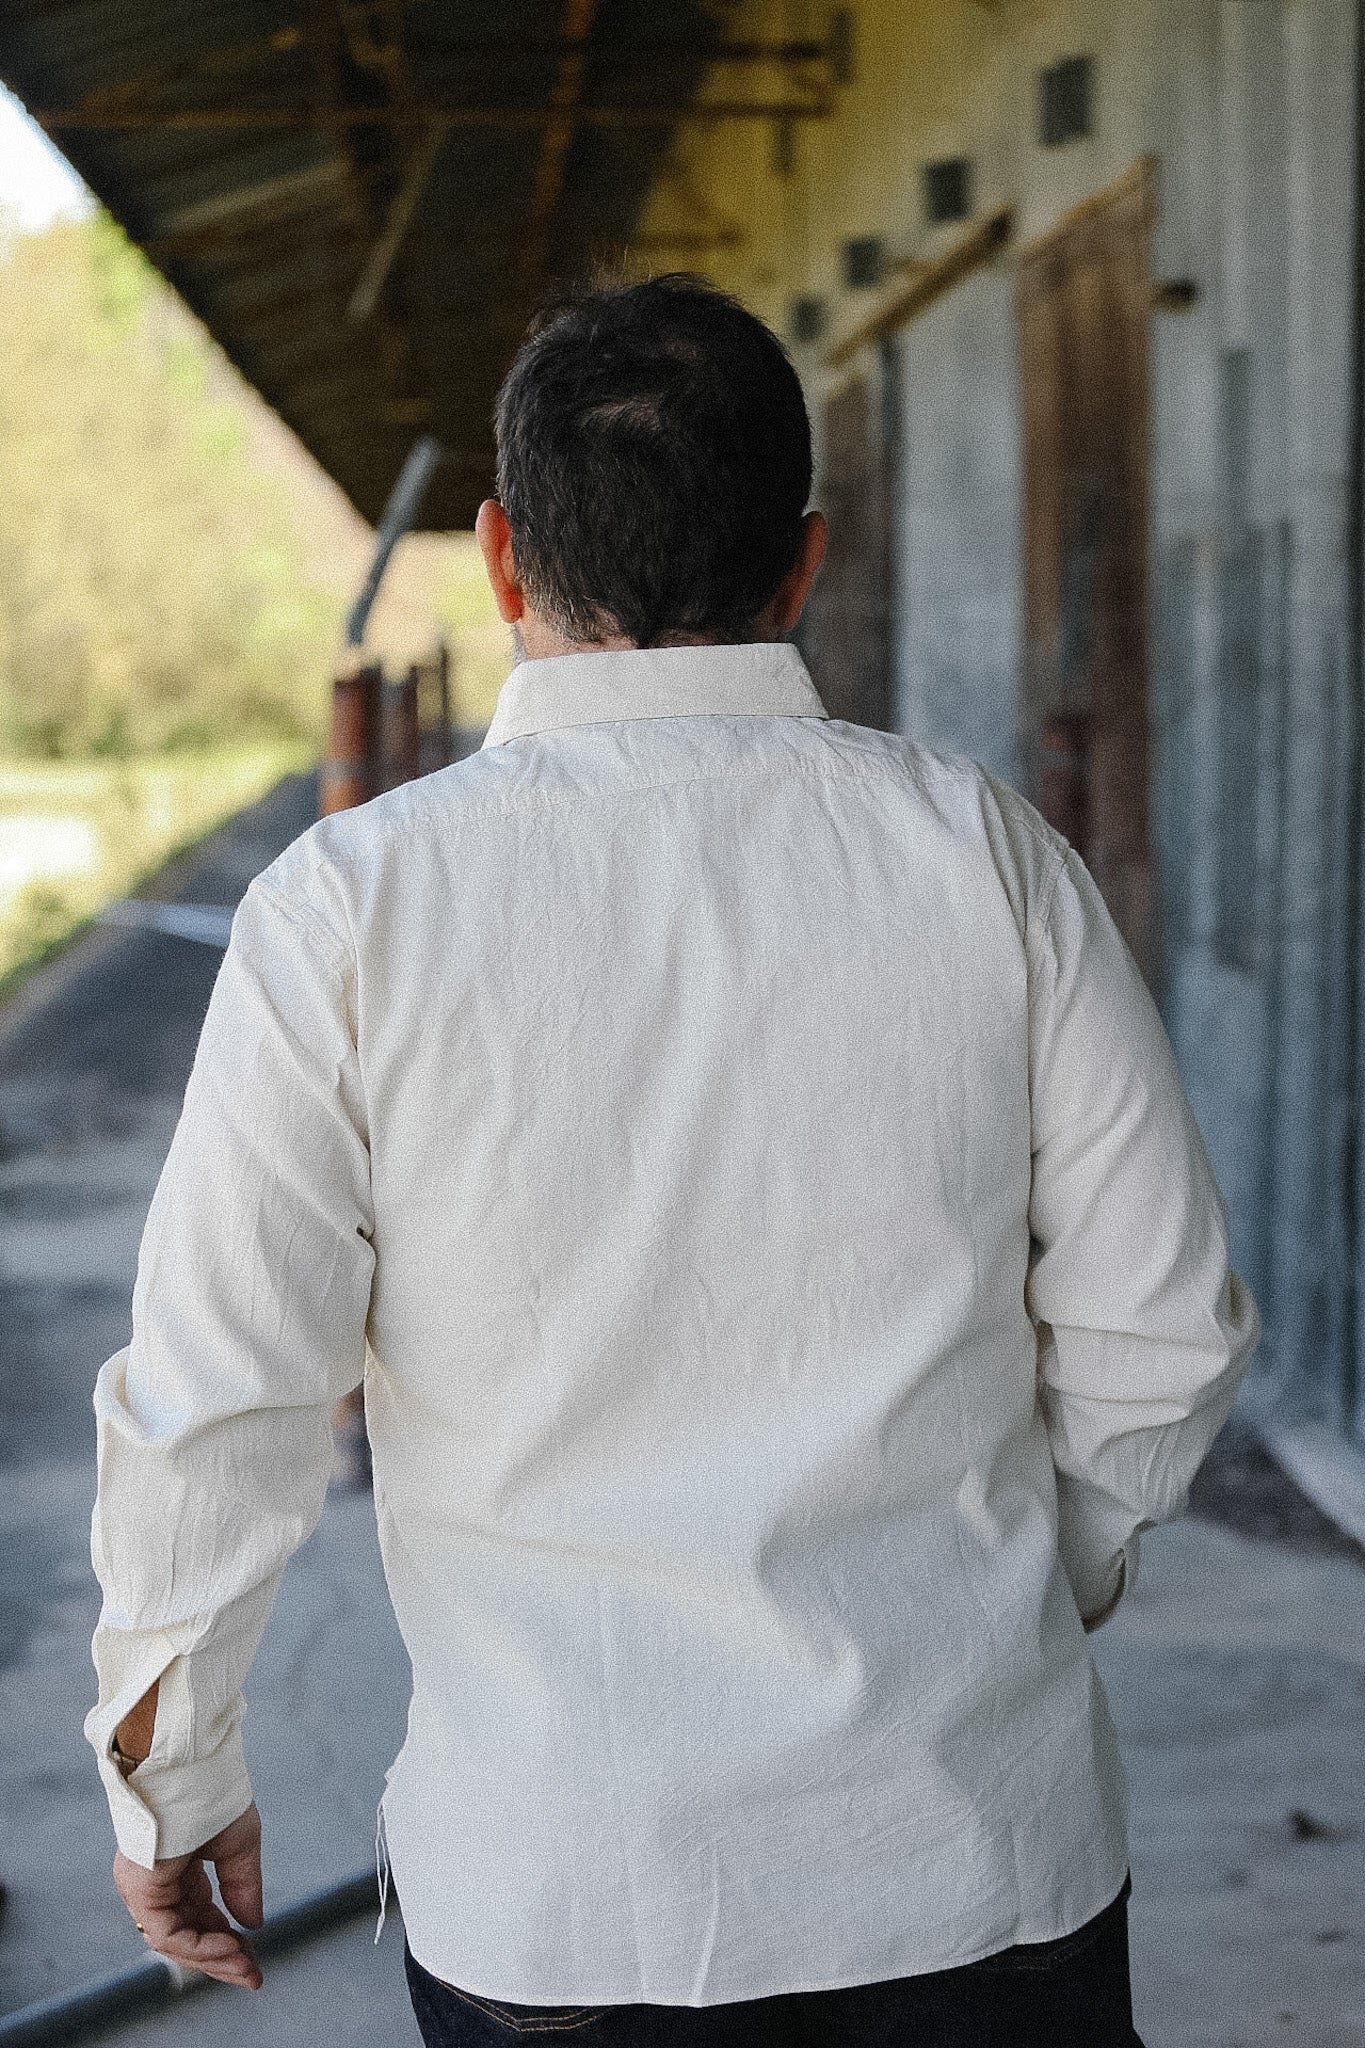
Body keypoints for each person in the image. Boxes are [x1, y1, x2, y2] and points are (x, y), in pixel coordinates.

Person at [87, 276, 1258, 2047]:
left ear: (500, 559)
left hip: (563, 1890)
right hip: (971, 1858)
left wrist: (169, 1777)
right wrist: (1016, 1596)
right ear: (801, 564)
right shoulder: (981, 854)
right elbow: (1161, 1331)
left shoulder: (347, 910)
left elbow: (219, 1397)